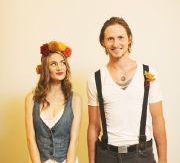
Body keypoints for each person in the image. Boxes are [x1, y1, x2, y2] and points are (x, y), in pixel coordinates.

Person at [87, 17, 167, 163]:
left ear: (129, 39)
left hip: (141, 155)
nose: (116, 43)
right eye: (110, 39)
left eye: (120, 37)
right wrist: (91, 161)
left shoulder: (148, 73)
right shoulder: (96, 79)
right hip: (106, 156)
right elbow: (93, 125)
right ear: (103, 43)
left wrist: (163, 160)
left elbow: (158, 119)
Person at [25, 40, 81, 163]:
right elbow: (30, 139)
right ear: (45, 68)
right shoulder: (31, 99)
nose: (60, 67)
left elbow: (74, 140)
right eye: (54, 64)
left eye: (62, 63)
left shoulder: (75, 99)